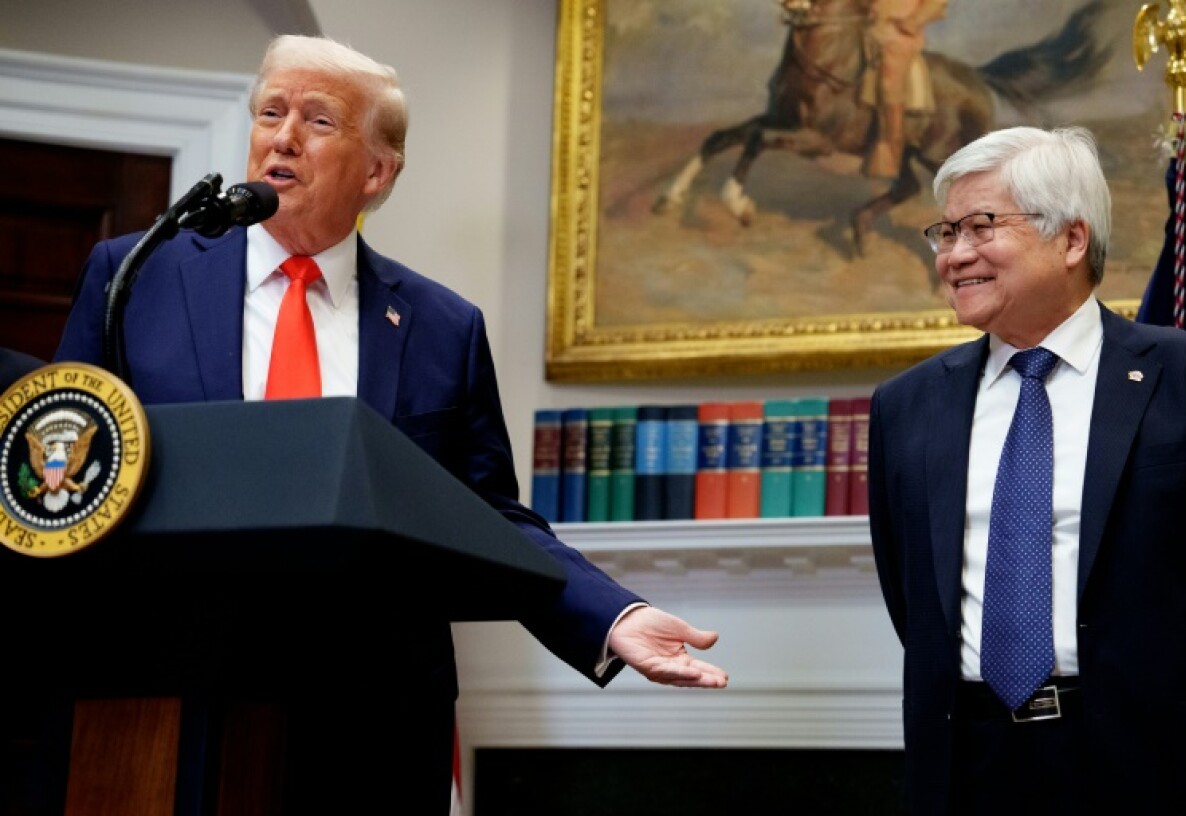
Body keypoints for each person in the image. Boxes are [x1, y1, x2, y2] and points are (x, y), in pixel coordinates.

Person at [54, 34, 728, 813]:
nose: (282, 137)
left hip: (370, 718)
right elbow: (62, 473)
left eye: (318, 121)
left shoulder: (443, 327)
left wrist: (613, 616)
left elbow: (489, 518)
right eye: (270, 113)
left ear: (377, 172)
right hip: (164, 703)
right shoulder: (135, 275)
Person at [867, 125, 1186, 814]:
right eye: (945, 232)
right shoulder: (907, 407)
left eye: (981, 227)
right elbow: (912, 601)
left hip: (1156, 765)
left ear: (1072, 240)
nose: (955, 255)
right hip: (966, 767)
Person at [862, 0, 948, 179]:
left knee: (889, 83)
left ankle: (889, 154)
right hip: (870, 28)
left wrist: (913, 21)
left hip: (899, 34)